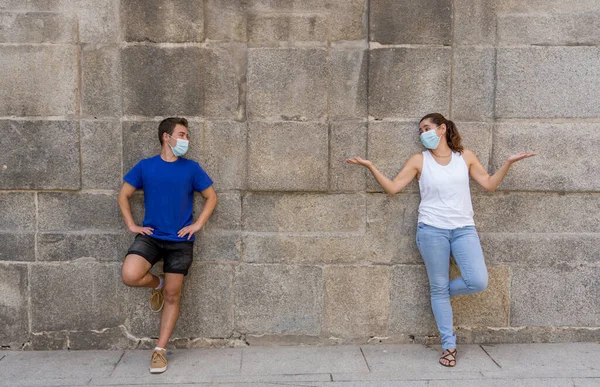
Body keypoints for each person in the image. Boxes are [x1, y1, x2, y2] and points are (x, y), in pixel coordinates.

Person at [347, 113, 535, 367]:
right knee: (438, 287)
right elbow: (393, 188)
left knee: (477, 281)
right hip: (431, 230)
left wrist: (508, 164)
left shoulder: (464, 157)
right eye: (420, 130)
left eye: (427, 128)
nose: (422, 133)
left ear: (442, 129)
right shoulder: (418, 160)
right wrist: (370, 166)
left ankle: (439, 295)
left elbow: (489, 184)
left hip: (463, 229)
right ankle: (449, 346)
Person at [117, 117, 217, 374]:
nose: (186, 140)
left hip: (180, 242)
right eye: (182, 134)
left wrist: (197, 225)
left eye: (187, 135)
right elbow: (124, 194)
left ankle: (159, 351)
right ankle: (156, 284)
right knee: (129, 274)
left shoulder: (192, 169)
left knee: (173, 296)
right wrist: (132, 225)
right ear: (166, 137)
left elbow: (211, 197)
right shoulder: (145, 167)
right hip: (150, 236)